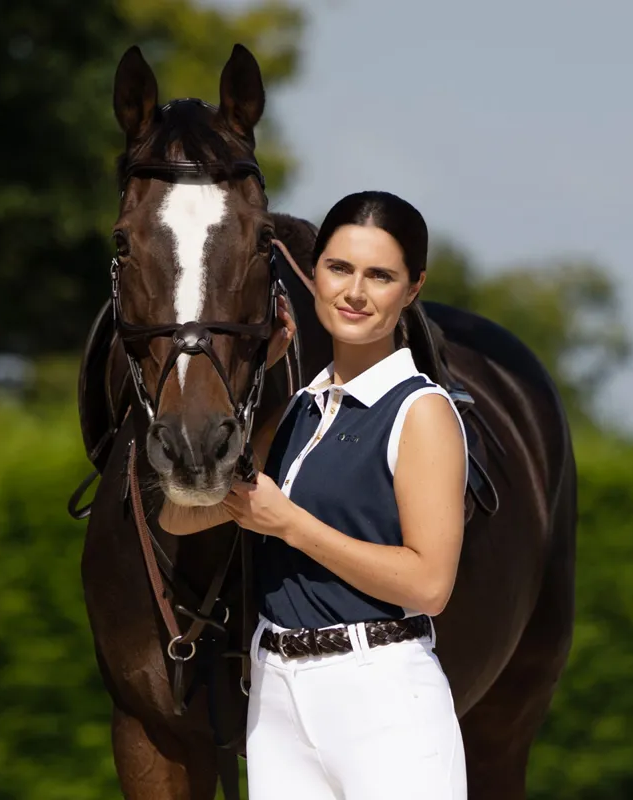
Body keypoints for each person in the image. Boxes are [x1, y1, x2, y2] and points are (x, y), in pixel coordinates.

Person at [162, 191, 468, 799]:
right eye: (339, 268)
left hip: (381, 694)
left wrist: (290, 525)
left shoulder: (420, 411)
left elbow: (430, 585)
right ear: (311, 275)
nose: (354, 292)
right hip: (276, 695)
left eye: (380, 275)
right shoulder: (302, 407)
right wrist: (245, 389)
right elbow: (177, 518)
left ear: (411, 289)